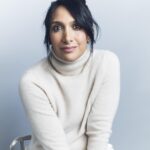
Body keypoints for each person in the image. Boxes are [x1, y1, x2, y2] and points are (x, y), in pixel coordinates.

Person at [19, 0, 120, 150]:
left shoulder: (106, 63)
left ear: (88, 33)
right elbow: (56, 146)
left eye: (76, 26)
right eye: (57, 28)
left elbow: (99, 134)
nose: (67, 37)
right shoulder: (32, 81)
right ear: (49, 37)